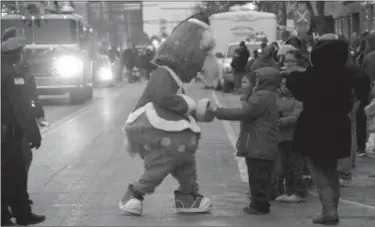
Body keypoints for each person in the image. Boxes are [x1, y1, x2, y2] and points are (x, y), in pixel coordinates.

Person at [120, 14, 218, 216]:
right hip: (150, 126)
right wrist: (187, 105)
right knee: (166, 159)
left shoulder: (173, 76)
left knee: (185, 160)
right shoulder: (163, 73)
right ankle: (134, 193)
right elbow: (163, 97)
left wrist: (196, 111)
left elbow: (174, 104)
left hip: (164, 128)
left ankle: (187, 196)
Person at [284, 34, 354, 225]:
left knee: (318, 170)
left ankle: (328, 210)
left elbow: (294, 84)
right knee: (331, 170)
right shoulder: (346, 74)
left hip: (315, 125)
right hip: (339, 125)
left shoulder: (313, 76)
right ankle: (332, 209)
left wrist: (296, 70)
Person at [209, 67, 280, 215]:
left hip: (259, 142)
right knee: (262, 173)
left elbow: (244, 113)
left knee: (257, 174)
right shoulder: (270, 95)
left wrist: (218, 111)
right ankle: (260, 201)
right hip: (264, 141)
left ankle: (259, 204)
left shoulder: (260, 96)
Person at [1, 27, 45, 226]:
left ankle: (21, 214)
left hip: (6, 133)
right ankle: (10, 215)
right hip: (8, 135)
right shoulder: (12, 74)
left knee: (14, 174)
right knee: (13, 175)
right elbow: (21, 109)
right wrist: (33, 133)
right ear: (16, 52)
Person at [275, 73, 306, 203]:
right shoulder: (276, 99)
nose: (284, 87)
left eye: (286, 85)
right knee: (285, 165)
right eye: (281, 85)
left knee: (295, 165)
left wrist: (278, 122)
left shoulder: (298, 100)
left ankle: (299, 191)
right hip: (280, 137)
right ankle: (289, 190)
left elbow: (295, 117)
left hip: (293, 137)